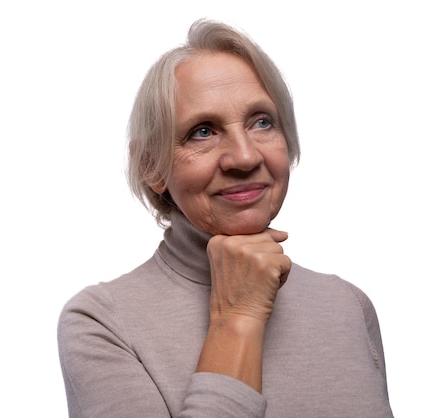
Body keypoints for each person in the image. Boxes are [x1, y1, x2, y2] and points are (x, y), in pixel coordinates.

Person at [57, 19, 393, 417]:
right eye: (202, 131)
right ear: (151, 165)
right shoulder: (100, 322)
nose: (246, 157)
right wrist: (239, 317)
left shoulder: (348, 305)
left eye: (262, 122)